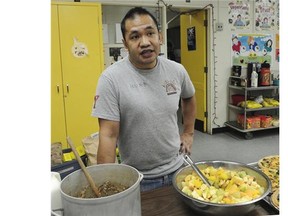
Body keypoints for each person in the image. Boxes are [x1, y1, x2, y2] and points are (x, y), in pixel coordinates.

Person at [91, 7, 196, 192]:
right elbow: (108, 135)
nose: (145, 42)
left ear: (160, 37)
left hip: (179, 170)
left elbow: (189, 97)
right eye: (135, 37)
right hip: (137, 180)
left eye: (150, 33)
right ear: (125, 43)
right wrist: (106, 186)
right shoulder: (111, 79)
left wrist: (188, 133)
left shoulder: (177, 70)